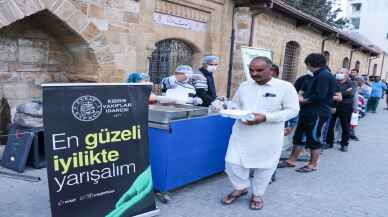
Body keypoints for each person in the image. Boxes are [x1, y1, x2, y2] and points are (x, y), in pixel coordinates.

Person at [221, 57, 299, 210]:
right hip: (242, 133)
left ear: (271, 70)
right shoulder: (245, 85)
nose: (254, 73)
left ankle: (257, 194)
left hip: (268, 136)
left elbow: (293, 110)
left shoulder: (285, 87)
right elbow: (236, 103)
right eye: (251, 70)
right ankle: (241, 187)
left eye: (259, 70)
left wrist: (266, 117)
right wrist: (231, 109)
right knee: (232, 162)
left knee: (265, 166)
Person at [278, 53, 336, 173]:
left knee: (313, 138)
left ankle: (312, 164)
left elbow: (320, 95)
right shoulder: (318, 75)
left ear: (310, 63)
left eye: (307, 64)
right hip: (307, 111)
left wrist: (303, 100)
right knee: (299, 137)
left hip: (317, 113)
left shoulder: (324, 75)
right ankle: (291, 160)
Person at [326, 68, 356, 152]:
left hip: (346, 107)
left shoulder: (351, 83)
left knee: (345, 126)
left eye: (341, 72)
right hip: (333, 105)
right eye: (338, 72)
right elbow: (328, 92)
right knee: (330, 125)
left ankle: (344, 144)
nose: (339, 74)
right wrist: (343, 92)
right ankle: (329, 142)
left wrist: (337, 94)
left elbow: (351, 93)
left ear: (346, 75)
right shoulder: (333, 82)